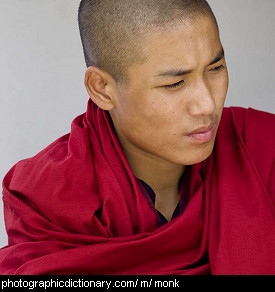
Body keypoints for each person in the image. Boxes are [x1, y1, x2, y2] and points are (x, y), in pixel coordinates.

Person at [0, 0, 274, 275]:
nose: (207, 105)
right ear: (102, 89)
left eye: (215, 68)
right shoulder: (49, 198)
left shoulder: (261, 147)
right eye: (174, 83)